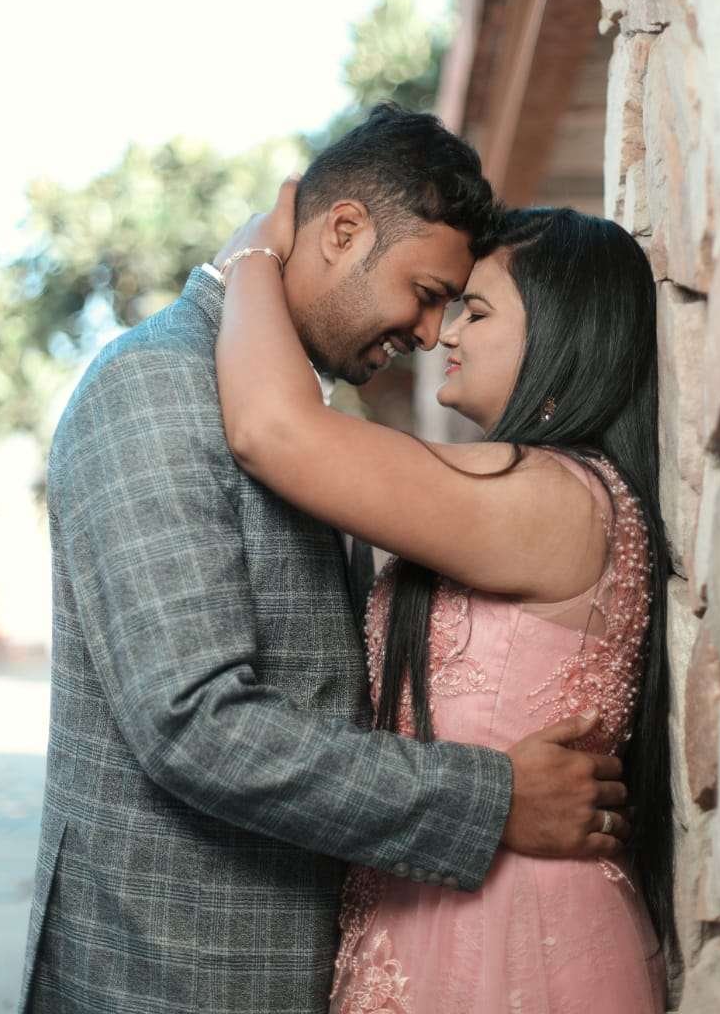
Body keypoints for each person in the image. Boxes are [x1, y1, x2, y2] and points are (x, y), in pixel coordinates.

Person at [19, 105, 629, 1014]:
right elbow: (193, 722)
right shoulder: (156, 385)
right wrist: (490, 799)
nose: (430, 332)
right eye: (427, 291)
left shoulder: (299, 411)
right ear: (343, 231)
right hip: (175, 968)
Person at [213, 173, 673, 1013]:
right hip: (437, 899)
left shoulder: (548, 496)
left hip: (510, 936)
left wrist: (249, 257)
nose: (444, 333)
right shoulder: (548, 490)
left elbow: (272, 431)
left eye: (477, 312)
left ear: (561, 337)